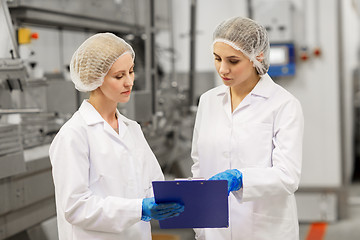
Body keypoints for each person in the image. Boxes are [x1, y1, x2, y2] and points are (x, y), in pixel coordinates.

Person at [49, 33, 184, 240]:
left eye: (131, 71)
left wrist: (193, 191)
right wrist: (139, 209)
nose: (129, 82)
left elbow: (154, 185)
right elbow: (75, 207)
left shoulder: (132, 129)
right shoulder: (74, 135)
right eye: (119, 76)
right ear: (95, 78)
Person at [191, 17, 304, 240]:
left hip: (264, 229)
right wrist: (201, 225)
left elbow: (288, 176)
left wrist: (240, 178)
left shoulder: (283, 104)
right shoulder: (208, 100)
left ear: (257, 57)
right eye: (217, 58)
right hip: (215, 230)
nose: (223, 69)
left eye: (233, 61)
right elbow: (199, 164)